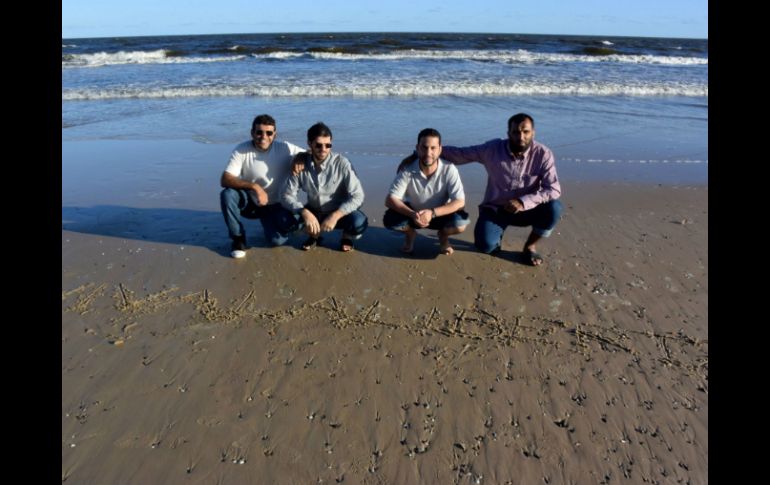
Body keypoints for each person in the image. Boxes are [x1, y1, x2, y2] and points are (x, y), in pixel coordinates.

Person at [399, 113, 562, 265]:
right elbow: (460, 154)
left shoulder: (543, 154)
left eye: (526, 132)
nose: (521, 137)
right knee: (486, 246)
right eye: (515, 132)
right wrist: (420, 154)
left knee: (554, 207)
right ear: (508, 133)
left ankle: (530, 246)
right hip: (496, 210)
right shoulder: (492, 149)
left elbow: (553, 189)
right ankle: (495, 236)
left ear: (533, 132)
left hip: (528, 210)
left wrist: (522, 202)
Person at [220, 114, 306, 258]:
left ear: (275, 134)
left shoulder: (285, 148)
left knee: (277, 241)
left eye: (269, 133)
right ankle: (238, 238)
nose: (263, 137)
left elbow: (309, 152)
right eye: (259, 132)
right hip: (253, 204)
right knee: (228, 194)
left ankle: (278, 223)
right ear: (252, 133)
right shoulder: (242, 150)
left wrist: (300, 157)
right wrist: (255, 187)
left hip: (279, 204)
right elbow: (225, 179)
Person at [281, 122, 368, 252]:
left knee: (359, 222)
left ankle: (346, 237)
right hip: (313, 211)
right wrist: (304, 212)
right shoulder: (300, 164)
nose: (323, 149)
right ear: (309, 144)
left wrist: (336, 215)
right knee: (285, 220)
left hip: (339, 213)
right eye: (318, 145)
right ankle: (314, 235)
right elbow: (286, 195)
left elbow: (358, 196)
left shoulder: (342, 164)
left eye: (328, 145)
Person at [384, 128, 469, 255]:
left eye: (433, 148)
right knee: (390, 220)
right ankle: (410, 234)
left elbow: (460, 202)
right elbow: (390, 200)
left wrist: (432, 213)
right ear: (417, 148)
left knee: (460, 224)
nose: (428, 153)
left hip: (440, 214)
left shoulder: (449, 169)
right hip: (414, 214)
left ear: (440, 149)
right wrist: (413, 214)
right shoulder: (407, 169)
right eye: (424, 147)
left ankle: (443, 236)